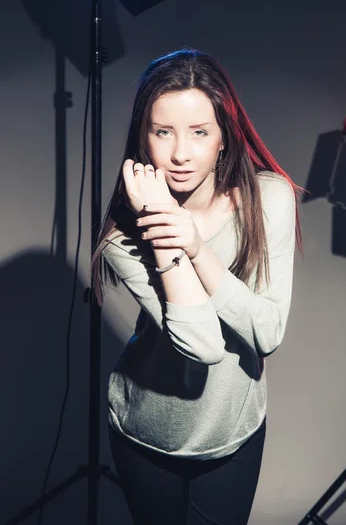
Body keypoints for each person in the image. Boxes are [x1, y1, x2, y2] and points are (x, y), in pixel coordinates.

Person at [91, 48, 303, 525]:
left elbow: (267, 333)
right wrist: (165, 224)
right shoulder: (123, 236)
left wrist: (197, 247)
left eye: (199, 132)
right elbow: (203, 343)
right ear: (143, 140)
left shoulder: (268, 198)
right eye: (163, 132)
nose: (180, 153)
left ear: (224, 137)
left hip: (232, 433)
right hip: (145, 432)